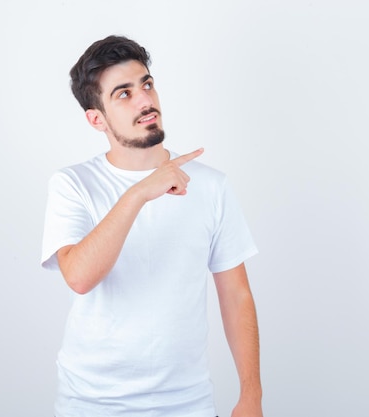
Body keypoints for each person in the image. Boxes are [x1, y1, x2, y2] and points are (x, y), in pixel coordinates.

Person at [41, 35, 263, 417]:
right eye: (123, 94)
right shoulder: (73, 183)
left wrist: (251, 396)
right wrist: (139, 193)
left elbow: (236, 295)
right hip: (91, 403)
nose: (145, 100)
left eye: (146, 84)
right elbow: (78, 276)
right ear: (97, 119)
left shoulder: (210, 185)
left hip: (186, 403)